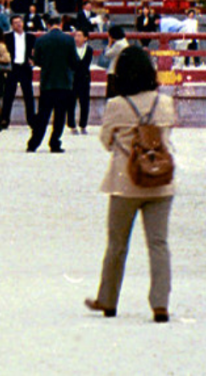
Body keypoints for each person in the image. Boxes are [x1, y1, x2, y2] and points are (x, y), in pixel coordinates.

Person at [85, 44, 176, 323]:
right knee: (158, 243)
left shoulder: (116, 105)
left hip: (125, 182)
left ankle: (108, 300)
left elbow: (104, 140)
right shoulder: (165, 103)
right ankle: (160, 304)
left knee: (117, 244)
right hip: (161, 181)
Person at [26, 19, 79, 153]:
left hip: (47, 82)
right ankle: (55, 142)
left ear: (48, 25)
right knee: (60, 115)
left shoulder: (41, 40)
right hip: (64, 83)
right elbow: (74, 60)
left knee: (43, 115)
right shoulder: (68, 40)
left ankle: (34, 143)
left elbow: (36, 60)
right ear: (61, 25)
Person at [0, 14, 37, 132]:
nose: (18, 24)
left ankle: (32, 120)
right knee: (8, 95)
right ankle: (5, 120)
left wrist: (33, 60)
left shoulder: (30, 37)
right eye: (15, 23)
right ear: (12, 25)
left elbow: (36, 51)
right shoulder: (7, 37)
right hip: (12, 68)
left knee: (28, 95)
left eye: (20, 22)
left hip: (25, 67)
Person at [67, 25, 95, 135]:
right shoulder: (71, 49)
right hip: (73, 79)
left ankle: (83, 124)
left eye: (79, 36)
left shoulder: (89, 49)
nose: (77, 38)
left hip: (84, 78)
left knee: (84, 103)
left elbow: (86, 64)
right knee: (71, 103)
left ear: (85, 38)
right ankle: (72, 124)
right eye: (75, 35)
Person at [100, 24, 130, 99]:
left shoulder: (118, 45)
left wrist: (109, 44)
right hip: (120, 71)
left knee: (111, 95)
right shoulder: (124, 42)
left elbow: (107, 54)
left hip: (114, 71)